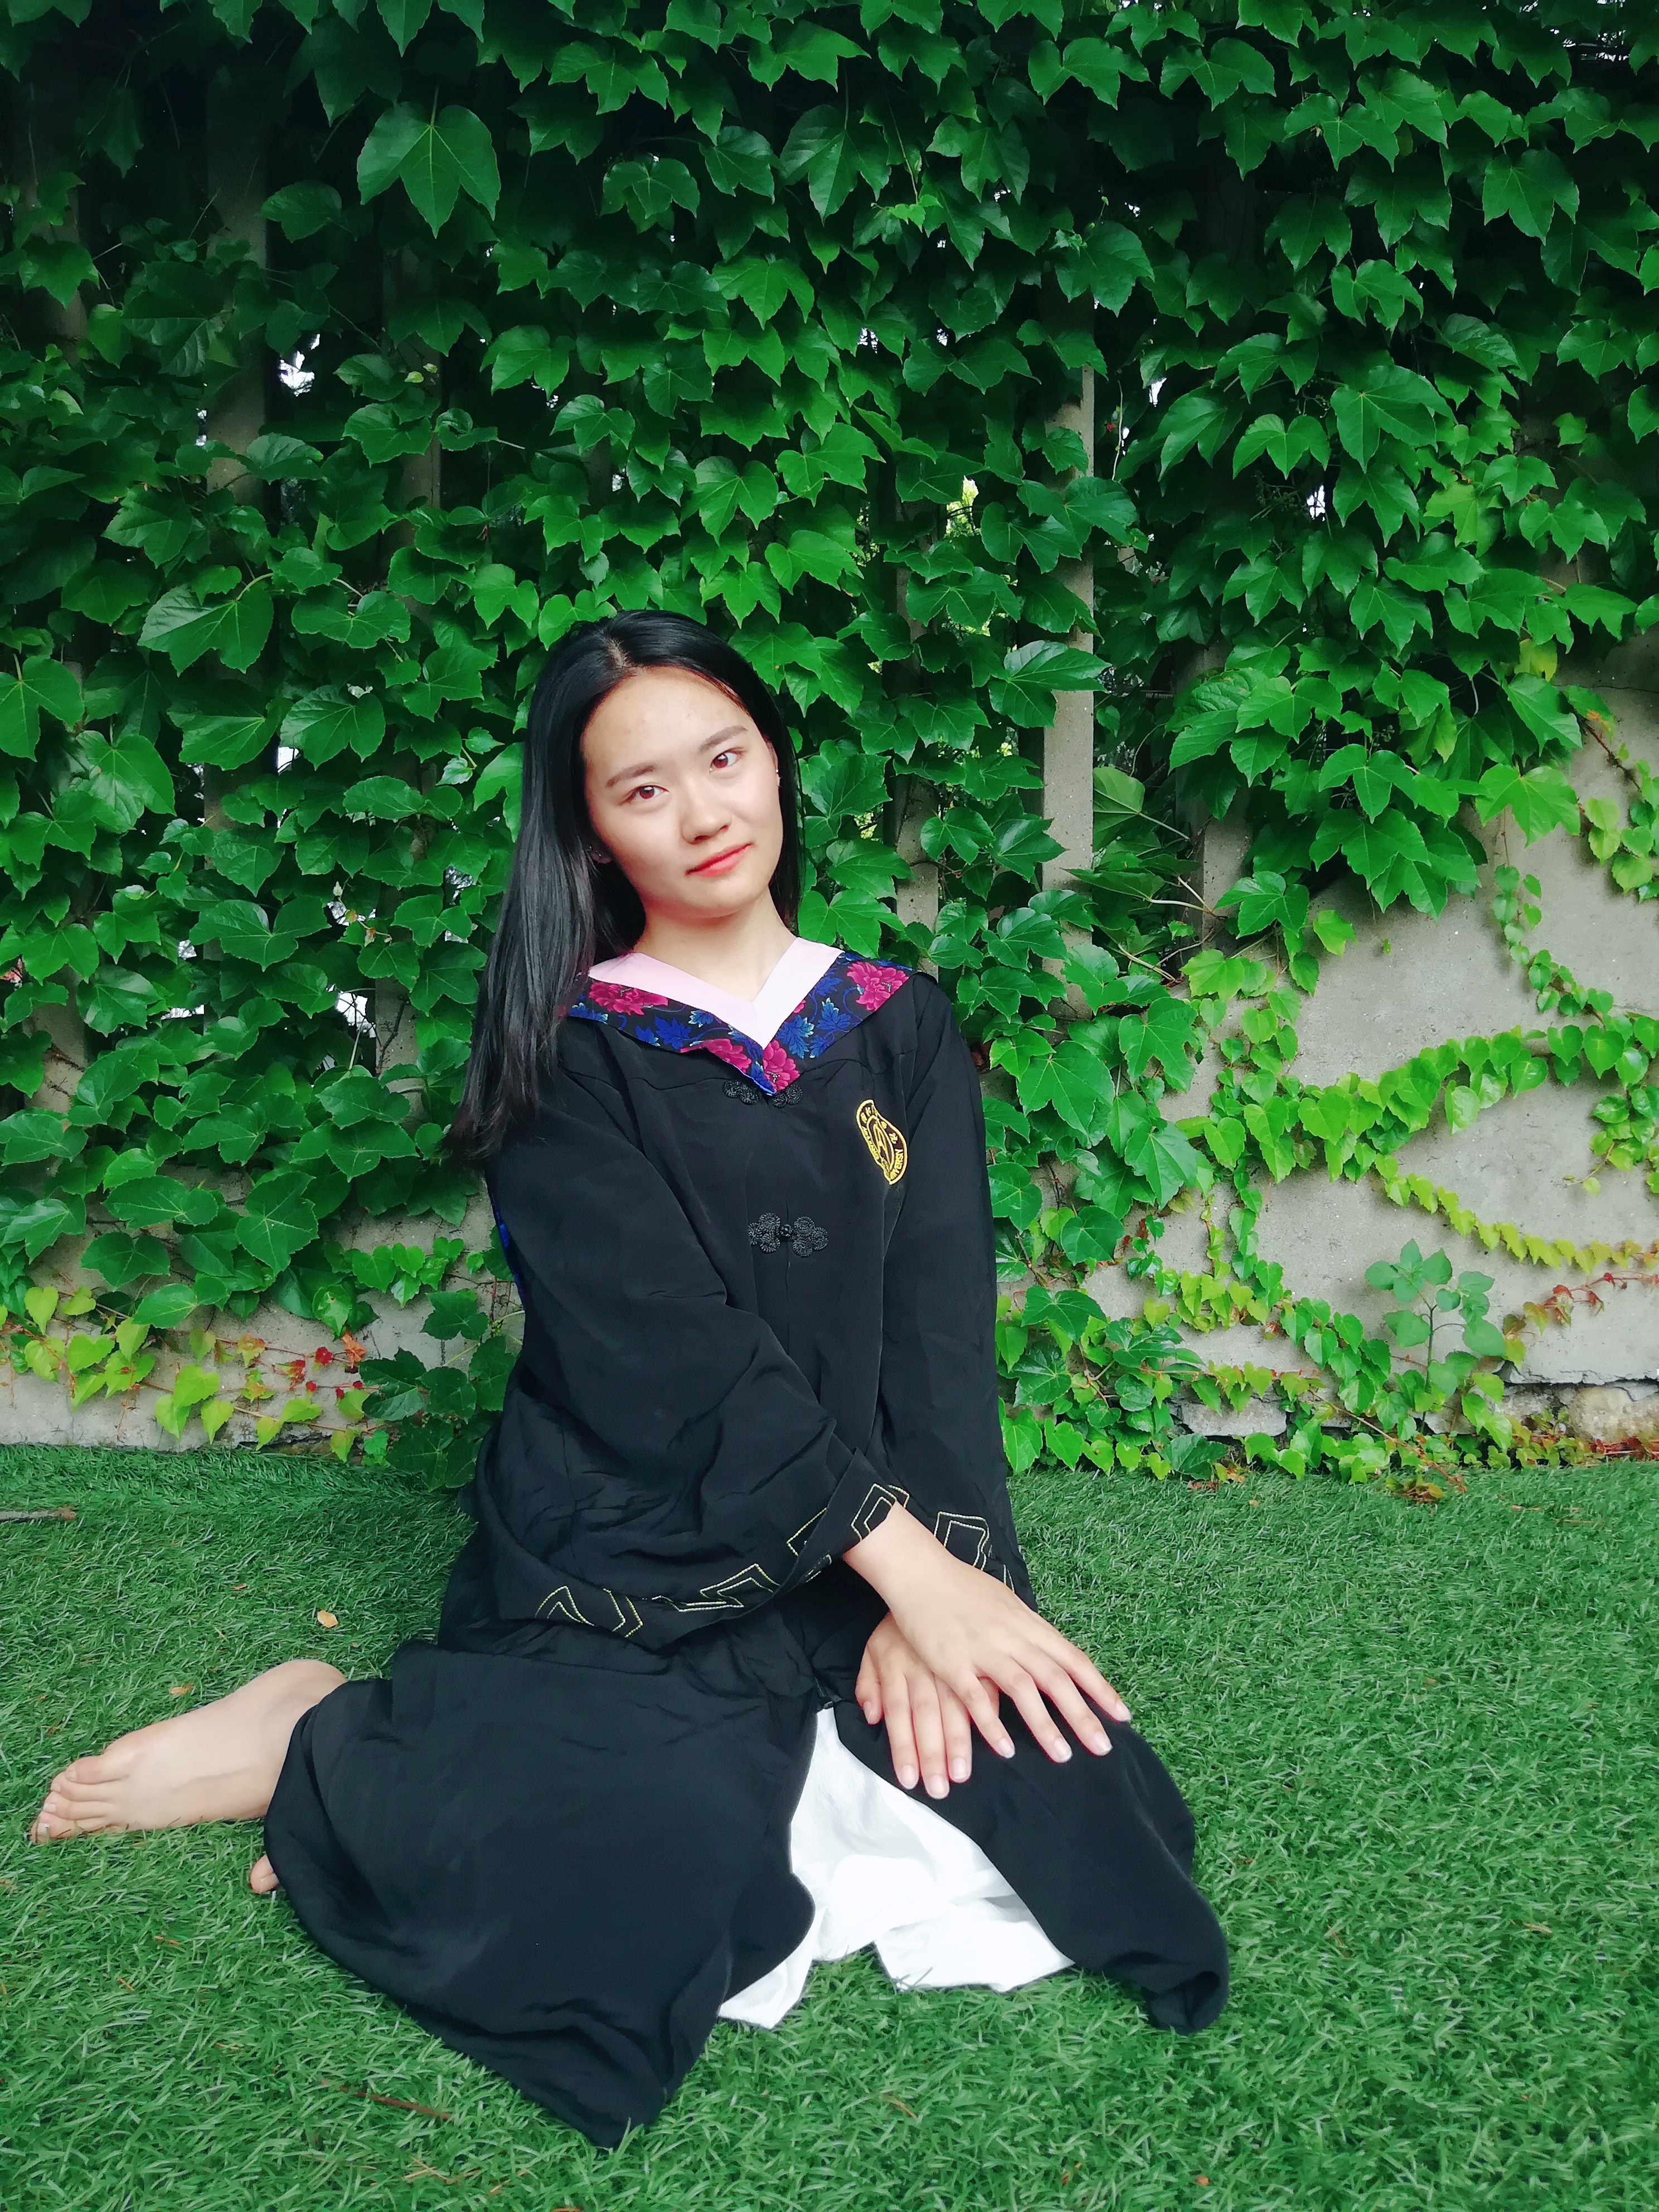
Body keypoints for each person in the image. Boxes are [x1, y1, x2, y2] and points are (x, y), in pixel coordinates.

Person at [30, 612, 1228, 2143]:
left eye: (725, 759)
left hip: (868, 1542)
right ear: (592, 829)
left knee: (1088, 1811)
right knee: (635, 1871)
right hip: (631, 1535)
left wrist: (950, 1591)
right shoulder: (568, 1046)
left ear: (776, 760)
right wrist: (912, 1573)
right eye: (643, 789)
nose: (703, 812)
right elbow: (667, 1350)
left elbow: (938, 1340)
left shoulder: (902, 1024)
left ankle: (699, 1718)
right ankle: (321, 1729)